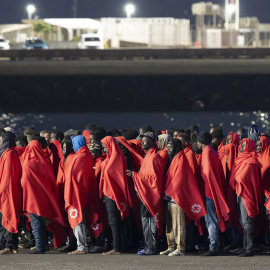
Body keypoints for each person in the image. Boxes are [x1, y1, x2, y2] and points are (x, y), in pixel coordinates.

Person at [161, 139, 206, 256]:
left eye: (170, 147)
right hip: (170, 196)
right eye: (168, 147)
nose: (168, 149)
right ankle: (171, 246)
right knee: (170, 224)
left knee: (178, 224)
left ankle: (180, 248)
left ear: (176, 147)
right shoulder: (174, 159)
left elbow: (179, 180)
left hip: (177, 197)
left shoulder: (181, 159)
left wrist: (168, 192)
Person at [21, 136, 66, 254]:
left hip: (32, 198)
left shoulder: (28, 162)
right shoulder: (44, 160)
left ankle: (40, 246)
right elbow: (50, 179)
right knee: (44, 222)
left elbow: (24, 180)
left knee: (36, 223)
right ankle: (44, 245)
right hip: (45, 197)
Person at [127, 132, 165, 255]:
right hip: (145, 194)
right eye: (142, 139)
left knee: (149, 222)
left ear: (152, 141)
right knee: (146, 221)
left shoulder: (153, 157)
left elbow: (153, 179)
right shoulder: (148, 156)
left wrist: (134, 175)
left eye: (145, 140)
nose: (142, 141)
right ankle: (148, 246)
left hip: (150, 195)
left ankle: (151, 247)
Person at [101, 136, 137, 255]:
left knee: (114, 221)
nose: (104, 150)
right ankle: (119, 245)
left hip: (113, 194)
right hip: (110, 193)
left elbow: (115, 176)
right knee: (114, 221)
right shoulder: (111, 157)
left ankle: (117, 248)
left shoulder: (117, 157)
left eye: (105, 147)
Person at [196, 131, 230, 256]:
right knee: (212, 220)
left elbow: (208, 174)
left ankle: (213, 247)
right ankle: (214, 246)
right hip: (212, 191)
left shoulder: (206, 153)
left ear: (200, 143)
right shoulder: (212, 151)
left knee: (211, 221)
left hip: (209, 192)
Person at [64, 135, 99, 255]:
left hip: (76, 193)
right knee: (81, 219)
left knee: (78, 219)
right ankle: (82, 245)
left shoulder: (81, 156)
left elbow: (73, 175)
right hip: (82, 192)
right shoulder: (86, 155)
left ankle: (82, 247)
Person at [228, 139, 263, 257]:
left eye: (244, 146)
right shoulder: (240, 160)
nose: (241, 148)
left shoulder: (252, 161)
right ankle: (245, 246)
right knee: (243, 222)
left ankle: (249, 249)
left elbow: (242, 178)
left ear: (249, 147)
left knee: (247, 222)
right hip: (240, 194)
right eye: (241, 145)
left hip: (247, 195)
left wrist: (237, 178)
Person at [0, 132, 22, 254]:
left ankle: (9, 246)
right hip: (11, 191)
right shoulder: (11, 153)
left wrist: (1, 192)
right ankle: (13, 246)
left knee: (8, 216)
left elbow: (7, 177)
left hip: (7, 192)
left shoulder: (8, 154)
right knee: (11, 216)